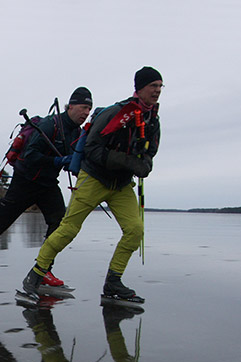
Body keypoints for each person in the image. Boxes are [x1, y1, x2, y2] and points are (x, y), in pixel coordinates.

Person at [21, 67, 163, 302]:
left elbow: (151, 150)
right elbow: (92, 149)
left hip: (120, 185)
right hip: (94, 178)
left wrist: (145, 164)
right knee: (68, 229)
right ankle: (35, 275)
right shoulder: (117, 113)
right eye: (153, 86)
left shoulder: (152, 120)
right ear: (139, 88)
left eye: (160, 86)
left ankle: (113, 282)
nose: (157, 91)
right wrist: (126, 161)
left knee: (135, 230)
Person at [0, 87, 92, 285]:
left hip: (48, 184)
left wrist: (73, 164)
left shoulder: (76, 132)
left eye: (89, 109)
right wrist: (57, 162)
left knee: (59, 223)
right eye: (84, 107)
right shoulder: (51, 125)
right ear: (71, 106)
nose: (86, 113)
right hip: (25, 180)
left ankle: (42, 270)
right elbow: (31, 155)